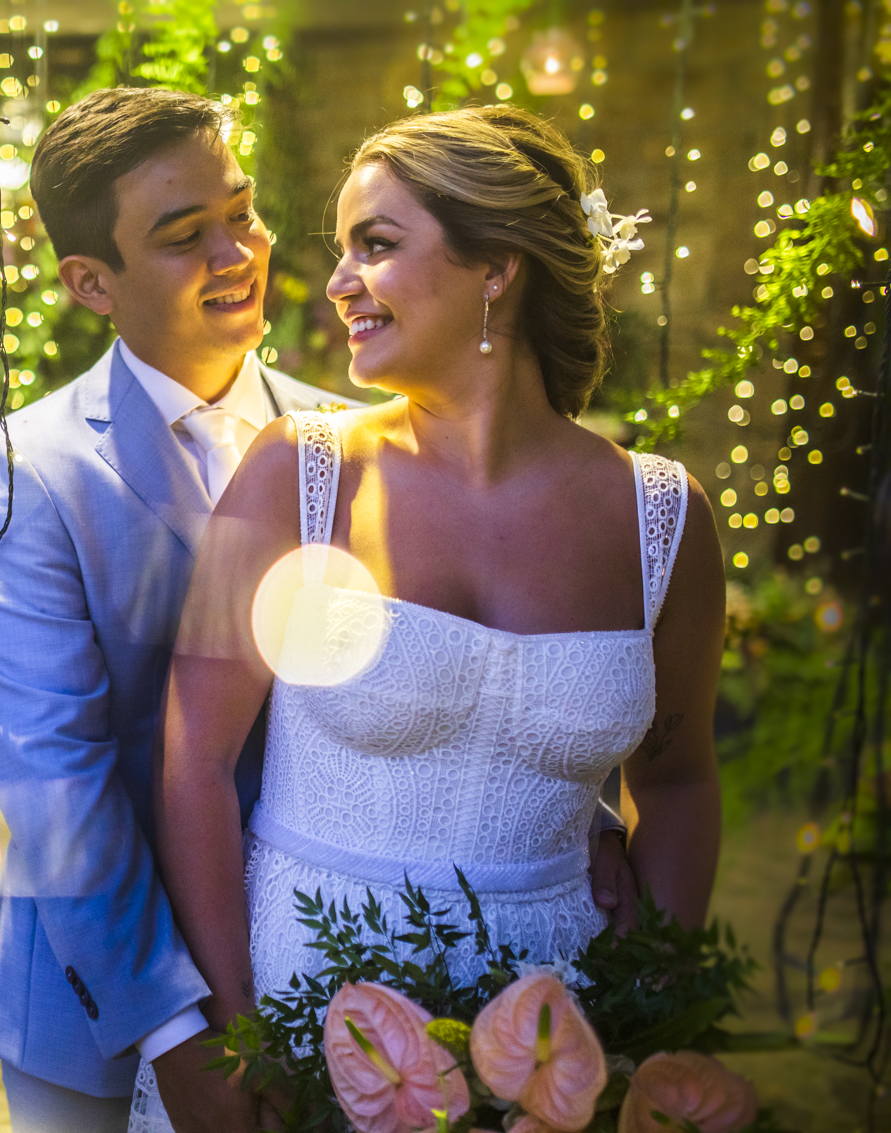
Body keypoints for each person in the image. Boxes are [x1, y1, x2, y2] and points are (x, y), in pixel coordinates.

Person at [0, 91, 637, 1133]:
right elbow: (56, 785)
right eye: (184, 236)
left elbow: (457, 663)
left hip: (322, 966)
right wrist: (184, 1039)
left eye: (242, 211)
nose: (236, 252)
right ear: (89, 280)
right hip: (110, 1001)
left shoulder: (346, 437)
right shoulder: (22, 474)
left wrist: (576, 811)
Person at [129, 105, 724, 1131]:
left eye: (376, 245)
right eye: (341, 249)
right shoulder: (294, 472)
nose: (335, 282)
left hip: (553, 1034)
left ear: (496, 267)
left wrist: (645, 1017)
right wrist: (234, 1033)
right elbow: (190, 763)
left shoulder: (663, 516)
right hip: (304, 1006)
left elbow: (674, 782)